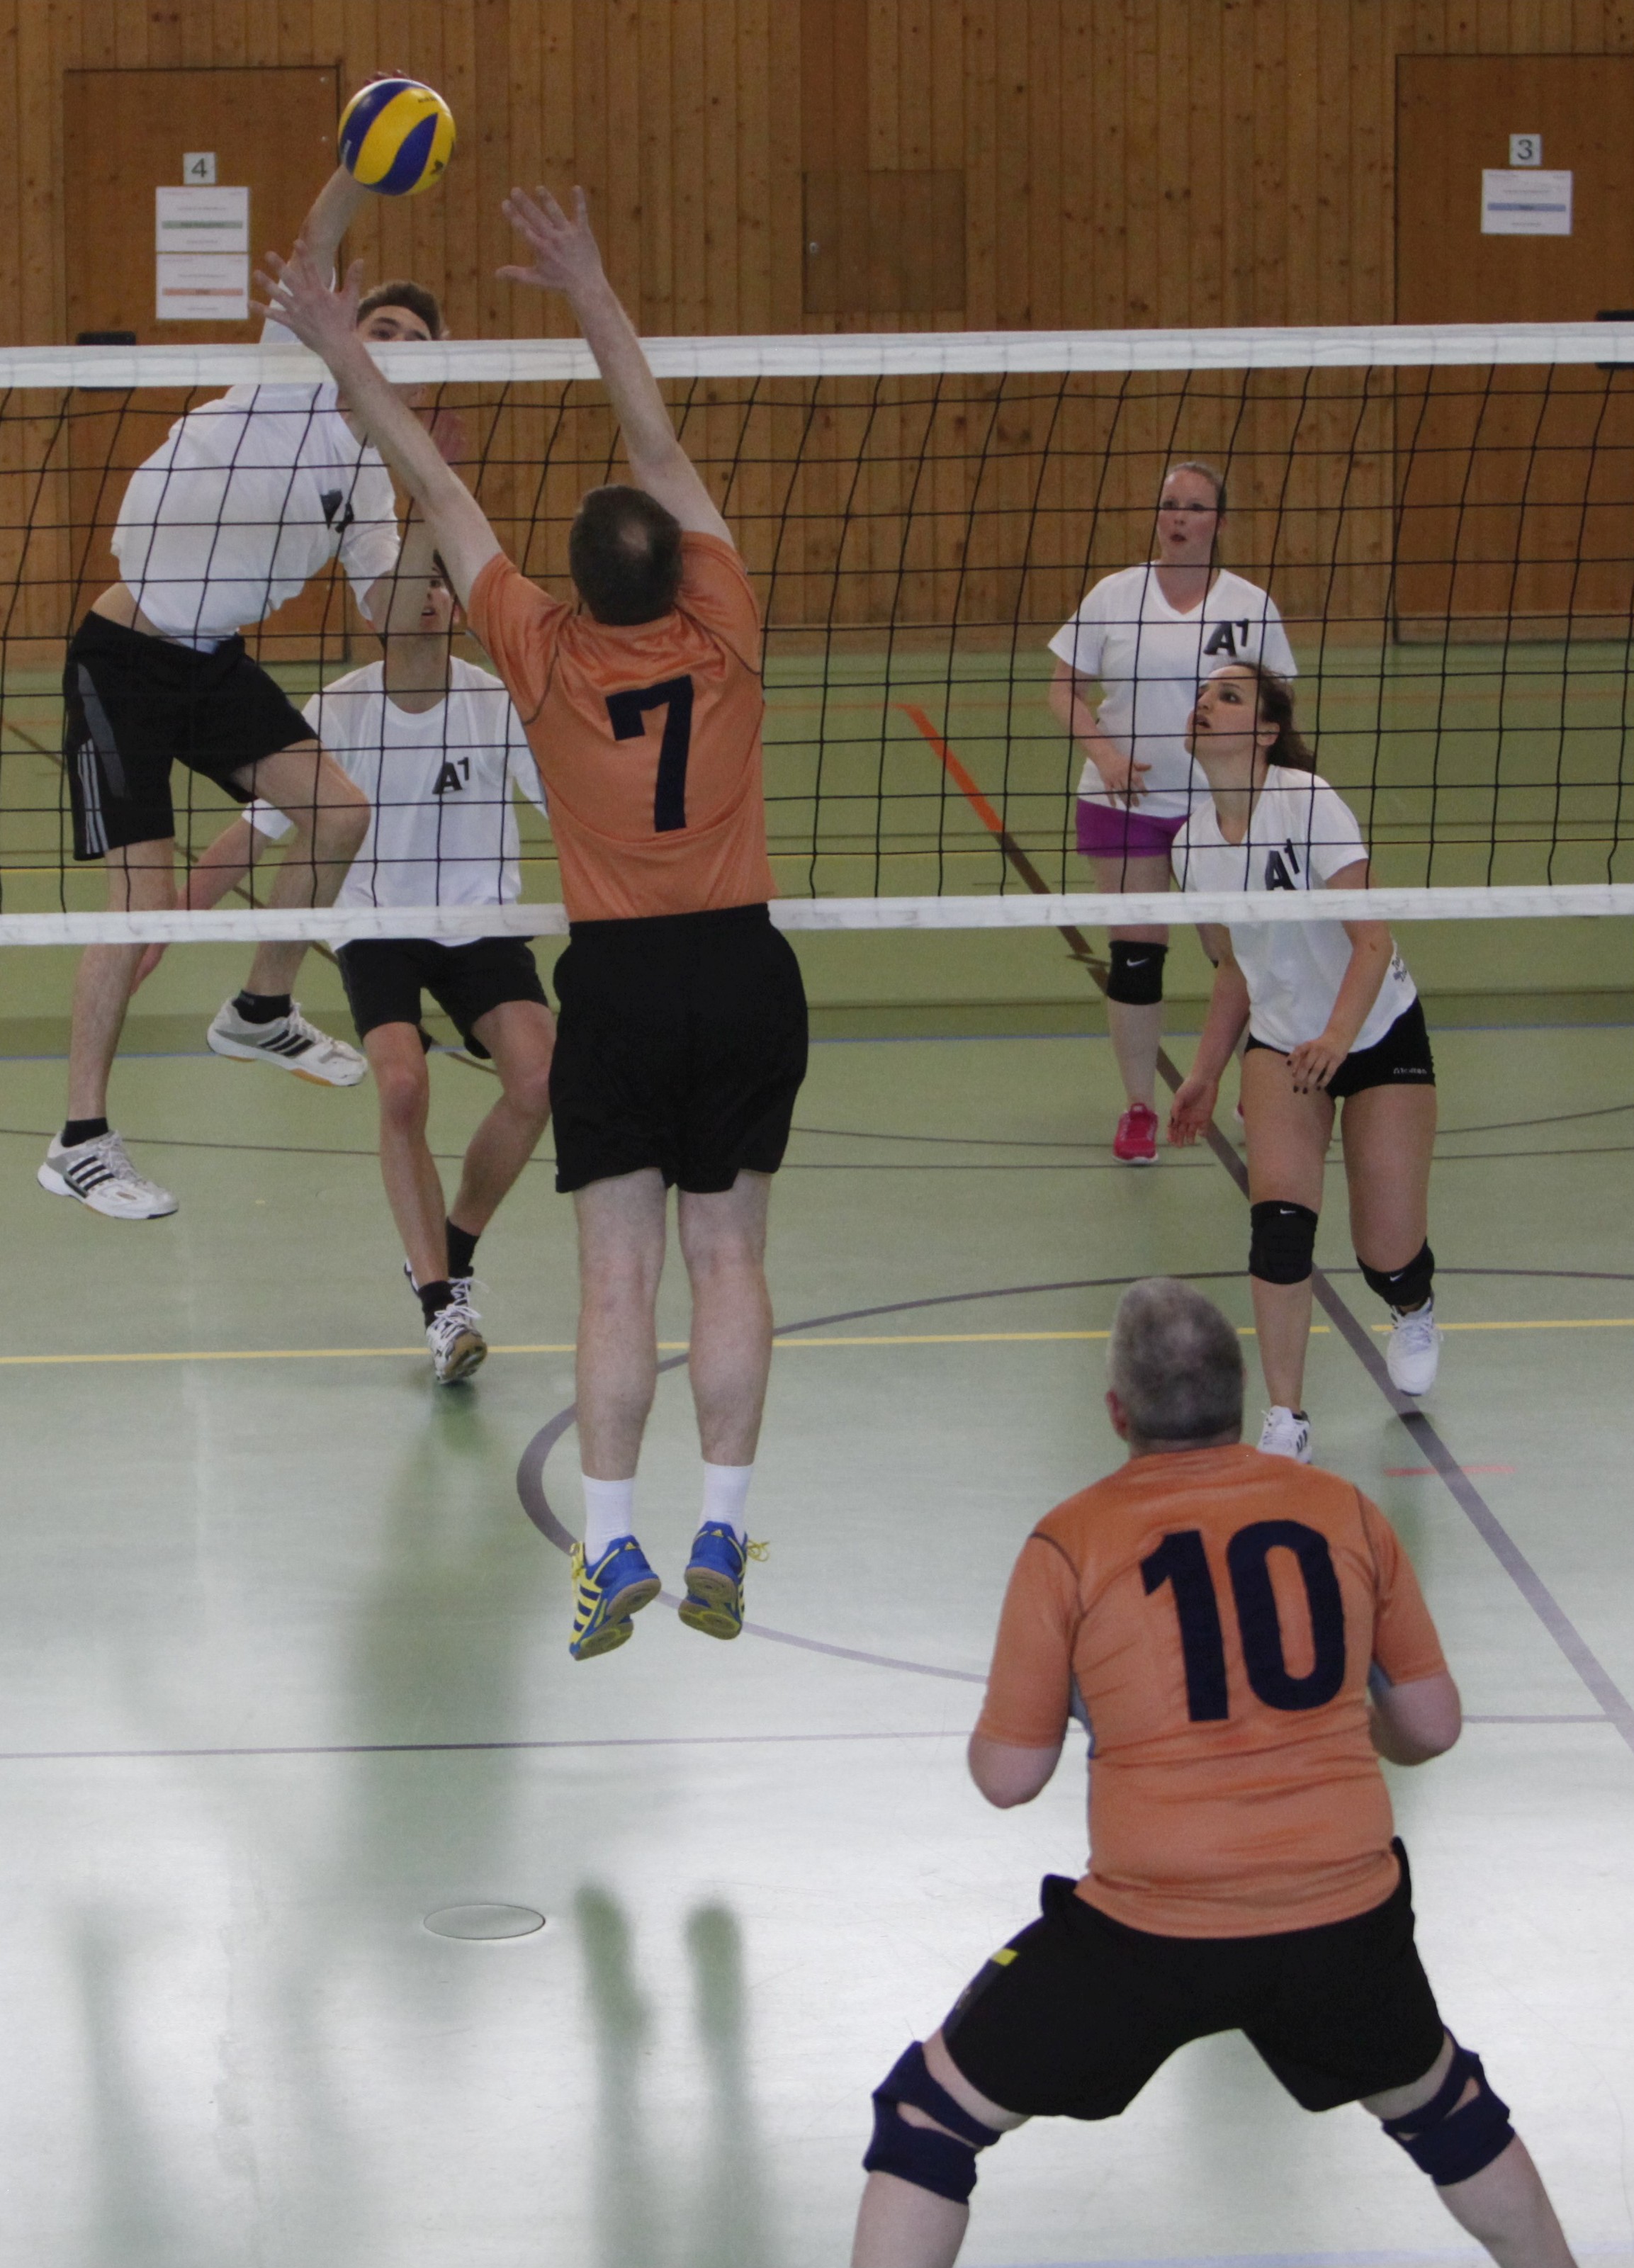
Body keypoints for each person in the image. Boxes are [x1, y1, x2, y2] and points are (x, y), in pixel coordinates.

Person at [259, 184, 807, 1658]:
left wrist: (340, 345)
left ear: (577, 589)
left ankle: (610, 1542)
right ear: (682, 564)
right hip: (743, 968)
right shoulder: (728, 625)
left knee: (616, 1275)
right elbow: (654, 439)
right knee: (731, 1262)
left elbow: (435, 493)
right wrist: (589, 286)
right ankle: (720, 1525)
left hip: (617, 982)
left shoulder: (543, 657)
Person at [849, 1277, 1576, 2268]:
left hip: (1150, 1929)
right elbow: (1430, 1724)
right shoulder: (1346, 1513)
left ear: (1116, 1412)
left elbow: (1007, 1778)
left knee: (927, 2121)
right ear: (1240, 1401)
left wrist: (1072, 1710)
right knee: (1445, 2109)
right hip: (1342, 1914)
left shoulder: (1072, 1540)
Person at [40, 158, 445, 1223]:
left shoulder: (375, 481)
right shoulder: (290, 373)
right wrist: (362, 163)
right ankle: (80, 1139)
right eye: (381, 327)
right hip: (123, 658)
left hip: (211, 663)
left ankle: (261, 1007)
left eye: (414, 341)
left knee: (340, 811)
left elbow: (391, 613)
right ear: (344, 333)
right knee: (140, 906)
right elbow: (316, 239)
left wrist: (434, 526)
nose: (392, 345)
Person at [152, 517, 556, 1385]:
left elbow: (574, 810)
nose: (428, 596)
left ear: (456, 604)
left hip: (478, 921)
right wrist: (161, 923)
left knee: (539, 1080)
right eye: (408, 583)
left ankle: (451, 1249)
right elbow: (252, 833)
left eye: (440, 581)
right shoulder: (335, 711)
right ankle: (441, 1308)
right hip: (375, 926)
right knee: (402, 1086)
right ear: (373, 611)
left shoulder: (496, 702)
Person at [1168, 662, 1440, 1463]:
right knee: (1279, 1230)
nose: (1205, 703)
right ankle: (1285, 1416)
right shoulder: (1190, 845)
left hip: (1377, 1031)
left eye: (1228, 696)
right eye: (1204, 694)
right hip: (1282, 1042)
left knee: (1385, 1253)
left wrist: (1336, 1037)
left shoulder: (1308, 802)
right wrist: (1204, 1072)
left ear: (1264, 731)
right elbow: (1232, 967)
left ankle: (1412, 1304)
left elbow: (1371, 939)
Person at [1047, 462, 1296, 1163]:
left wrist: (1272, 795)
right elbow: (1063, 689)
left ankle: (1253, 1084)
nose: (1179, 517)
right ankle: (1138, 1106)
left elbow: (1277, 710)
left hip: (1222, 808)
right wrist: (1105, 756)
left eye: (1194, 507)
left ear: (1220, 521)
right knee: (1135, 957)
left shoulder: (1250, 605)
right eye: (1169, 504)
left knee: (1237, 954)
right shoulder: (1114, 595)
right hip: (1123, 803)